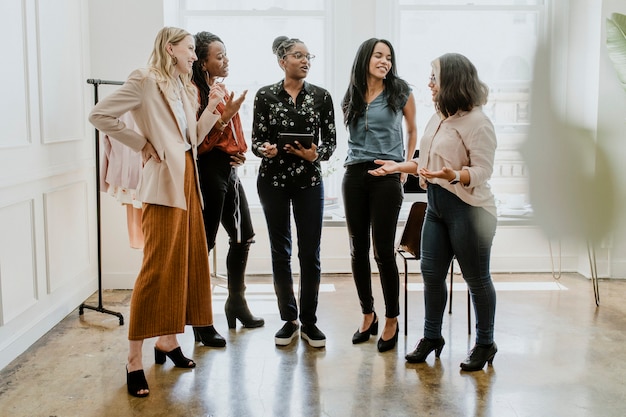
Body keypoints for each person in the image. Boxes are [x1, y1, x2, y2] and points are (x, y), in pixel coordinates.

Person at [89, 27, 225, 397]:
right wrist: (141, 143)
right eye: (190, 49)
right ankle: (134, 359)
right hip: (163, 184)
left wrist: (212, 107)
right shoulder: (144, 80)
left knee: (184, 263)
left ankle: (167, 341)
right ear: (170, 48)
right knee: (156, 270)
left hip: (187, 182)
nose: (195, 56)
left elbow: (192, 138)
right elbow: (100, 115)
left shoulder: (185, 86)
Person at [369, 53, 498, 371]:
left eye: (434, 78)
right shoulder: (438, 116)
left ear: (452, 81)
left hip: (470, 210)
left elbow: (482, 172)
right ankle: (432, 337)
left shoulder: (478, 122)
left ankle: (485, 343)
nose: (428, 83)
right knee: (431, 275)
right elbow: (425, 165)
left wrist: (452, 175)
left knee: (476, 279)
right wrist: (398, 166)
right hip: (436, 208)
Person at [251, 36, 336, 348]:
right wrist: (267, 149)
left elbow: (330, 142)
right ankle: (289, 319)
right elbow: (256, 140)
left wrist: (316, 154)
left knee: (310, 254)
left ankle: (310, 322)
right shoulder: (265, 96)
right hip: (272, 181)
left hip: (309, 183)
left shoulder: (322, 97)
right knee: (280, 252)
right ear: (282, 61)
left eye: (308, 56)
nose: (305, 61)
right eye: (298, 56)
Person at [341, 38, 417, 352]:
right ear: (365, 59)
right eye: (378, 55)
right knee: (358, 249)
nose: (384, 61)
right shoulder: (352, 94)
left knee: (383, 252)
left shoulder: (401, 91)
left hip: (387, 175)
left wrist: (402, 168)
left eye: (388, 57)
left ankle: (391, 319)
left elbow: (413, 129)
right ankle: (367, 314)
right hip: (354, 173)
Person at [191, 31, 265, 334]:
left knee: (242, 236)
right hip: (208, 169)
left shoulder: (220, 88)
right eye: (219, 56)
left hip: (228, 169)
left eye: (226, 54)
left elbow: (231, 132)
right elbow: (199, 141)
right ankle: (200, 320)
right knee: (204, 244)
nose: (226, 60)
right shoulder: (195, 93)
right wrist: (224, 124)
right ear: (203, 62)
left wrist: (239, 153)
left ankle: (236, 303)